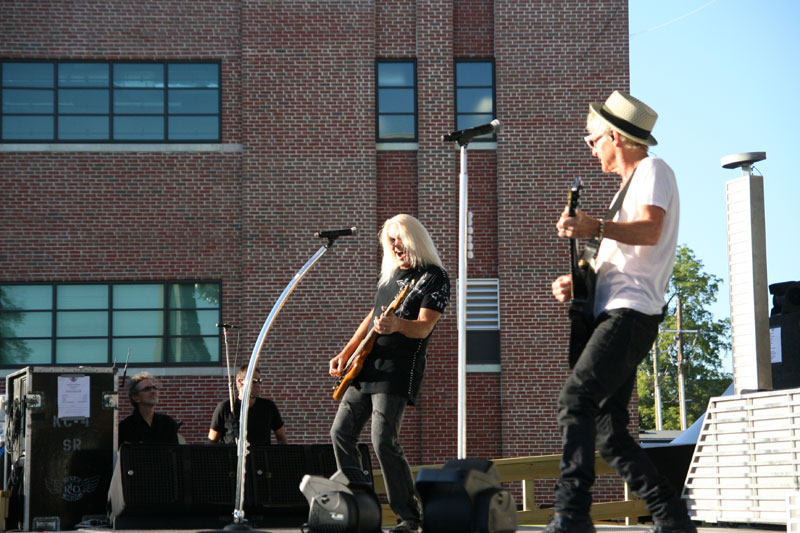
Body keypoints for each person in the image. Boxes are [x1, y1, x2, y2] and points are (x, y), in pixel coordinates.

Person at [548, 90, 695, 533]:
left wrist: (594, 226)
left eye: (593, 140)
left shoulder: (653, 169)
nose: (592, 149)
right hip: (619, 312)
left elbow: (650, 230)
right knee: (609, 432)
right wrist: (578, 283)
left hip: (630, 314)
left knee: (576, 399)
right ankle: (670, 517)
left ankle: (572, 515)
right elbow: (625, 260)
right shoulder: (624, 192)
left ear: (616, 135)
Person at [329, 213, 450, 533]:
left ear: (415, 240)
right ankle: (359, 503)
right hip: (365, 365)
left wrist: (397, 324)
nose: (396, 245)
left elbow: (424, 327)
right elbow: (371, 318)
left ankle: (409, 516)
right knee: (340, 432)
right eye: (391, 240)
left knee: (383, 440)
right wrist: (346, 351)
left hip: (397, 370)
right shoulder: (390, 274)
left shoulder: (434, 277)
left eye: (400, 239)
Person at [208, 364, 287, 445]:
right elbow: (212, 441)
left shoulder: (269, 407)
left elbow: (281, 438)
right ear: (240, 382)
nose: (258, 385)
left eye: (260, 381)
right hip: (233, 457)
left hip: (260, 457)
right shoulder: (224, 407)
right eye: (254, 381)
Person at [119, 372, 180, 444]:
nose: (153, 391)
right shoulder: (125, 427)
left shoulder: (168, 423)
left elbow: (176, 453)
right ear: (136, 398)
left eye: (154, 388)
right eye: (147, 389)